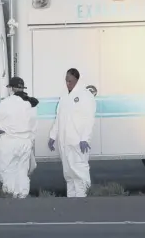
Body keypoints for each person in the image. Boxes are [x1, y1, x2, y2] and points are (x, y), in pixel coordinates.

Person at [48, 68, 97, 198]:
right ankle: (71, 201)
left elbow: (89, 119)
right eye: (66, 80)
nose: (67, 83)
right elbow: (58, 118)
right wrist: (53, 136)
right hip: (65, 142)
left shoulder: (85, 95)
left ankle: (83, 200)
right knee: (69, 173)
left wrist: (85, 138)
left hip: (78, 141)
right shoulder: (64, 97)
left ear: (76, 79)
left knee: (80, 171)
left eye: (70, 81)